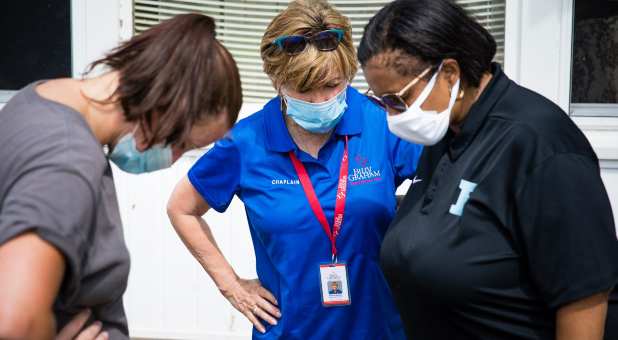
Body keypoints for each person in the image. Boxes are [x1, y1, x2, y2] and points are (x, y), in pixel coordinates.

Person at [357, 0, 618, 339]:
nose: (392, 116)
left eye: (397, 100)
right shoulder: (446, 132)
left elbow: (584, 298)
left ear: (449, 73)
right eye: (381, 102)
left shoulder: (540, 143)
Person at [166, 1, 422, 338]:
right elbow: (181, 208)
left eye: (331, 85)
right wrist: (232, 286)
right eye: (303, 89)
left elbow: (440, 187)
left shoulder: (383, 122)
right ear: (276, 80)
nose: (319, 101)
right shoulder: (247, 141)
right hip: (289, 330)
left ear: (347, 74)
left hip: (378, 327)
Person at [0, 13, 241, 339]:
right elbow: (15, 323)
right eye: (182, 144)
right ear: (162, 103)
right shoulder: (68, 165)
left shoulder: (41, 97)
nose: (173, 161)